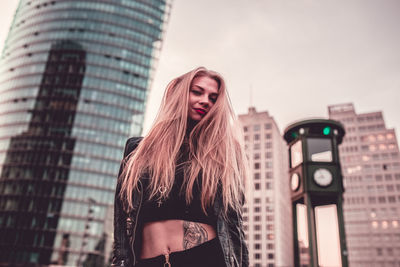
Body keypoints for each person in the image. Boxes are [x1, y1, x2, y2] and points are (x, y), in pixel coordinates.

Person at [111, 67, 249, 267]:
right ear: (179, 93)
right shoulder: (138, 150)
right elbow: (121, 219)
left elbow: (234, 225)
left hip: (206, 258)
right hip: (147, 262)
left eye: (212, 97)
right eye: (197, 92)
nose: (205, 101)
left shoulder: (225, 153)